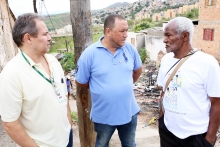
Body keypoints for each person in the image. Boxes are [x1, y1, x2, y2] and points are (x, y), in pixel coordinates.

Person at [0, 13, 73, 147]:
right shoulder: (11, 74)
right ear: (28, 38)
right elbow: (10, 124)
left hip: (66, 137)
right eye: (45, 34)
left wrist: (68, 124)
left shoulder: (53, 61)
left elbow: (64, 94)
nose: (50, 38)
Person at [75, 14, 142, 147]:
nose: (126, 35)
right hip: (104, 115)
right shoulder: (89, 54)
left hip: (129, 111)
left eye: (127, 30)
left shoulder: (130, 49)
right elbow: (81, 81)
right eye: (122, 31)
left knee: (130, 144)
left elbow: (137, 70)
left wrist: (124, 86)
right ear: (108, 32)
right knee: (102, 144)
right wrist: (101, 89)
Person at [157, 16, 220, 147]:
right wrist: (161, 120)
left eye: (168, 35)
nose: (164, 40)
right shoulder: (166, 60)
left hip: (195, 136)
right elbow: (163, 92)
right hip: (168, 132)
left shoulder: (207, 63)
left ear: (185, 36)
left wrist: (209, 139)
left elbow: (217, 103)